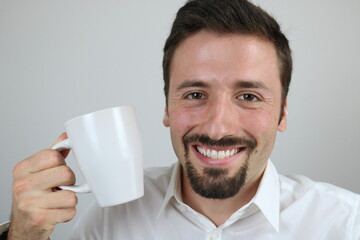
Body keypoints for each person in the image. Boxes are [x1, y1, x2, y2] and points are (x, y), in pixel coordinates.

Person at [1, 0, 360, 239]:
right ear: (167, 109)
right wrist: (22, 235)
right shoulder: (109, 219)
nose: (218, 127)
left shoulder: (346, 224)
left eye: (248, 97)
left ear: (282, 113)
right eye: (194, 95)